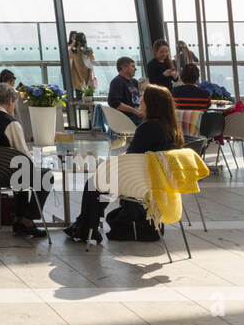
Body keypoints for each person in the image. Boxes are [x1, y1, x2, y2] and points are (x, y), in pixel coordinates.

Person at [65, 84, 184, 243]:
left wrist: (115, 161)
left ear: (152, 104)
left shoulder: (148, 128)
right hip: (160, 181)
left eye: (143, 98)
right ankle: (85, 226)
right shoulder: (172, 129)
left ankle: (86, 228)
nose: (140, 100)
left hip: (141, 182)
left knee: (93, 184)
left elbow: (132, 158)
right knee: (101, 183)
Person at [0, 83, 47, 238]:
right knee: (44, 175)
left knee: (19, 171)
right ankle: (27, 219)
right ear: (10, 102)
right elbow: (23, 154)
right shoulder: (10, 122)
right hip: (8, 175)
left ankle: (19, 218)